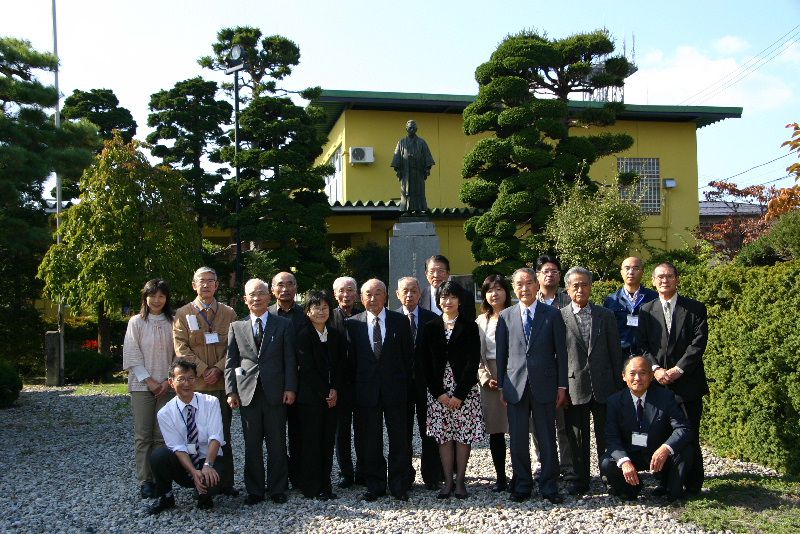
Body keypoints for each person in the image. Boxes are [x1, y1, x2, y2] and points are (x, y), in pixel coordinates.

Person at [496, 267, 568, 504]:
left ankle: (549, 485)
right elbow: (501, 355)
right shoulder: (506, 316)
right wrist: (501, 387)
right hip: (515, 387)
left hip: (545, 384)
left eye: (528, 283)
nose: (524, 288)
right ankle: (522, 483)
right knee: (517, 439)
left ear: (537, 285)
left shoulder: (552, 314)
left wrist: (561, 386)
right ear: (514, 288)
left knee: (547, 436)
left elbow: (561, 353)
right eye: (519, 284)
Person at [637, 262, 708, 494]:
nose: (664, 280)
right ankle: (666, 481)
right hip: (659, 384)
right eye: (660, 277)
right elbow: (643, 345)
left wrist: (679, 369)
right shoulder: (647, 310)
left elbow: (698, 344)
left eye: (669, 276)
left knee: (689, 432)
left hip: (687, 383)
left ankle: (693, 483)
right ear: (653, 281)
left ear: (677, 279)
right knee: (662, 434)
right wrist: (656, 369)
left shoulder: (695, 308)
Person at [225, 278, 297, 505]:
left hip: (276, 392)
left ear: (269, 296)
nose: (257, 298)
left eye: (261, 293)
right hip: (248, 393)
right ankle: (254, 490)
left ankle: (277, 488)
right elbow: (231, 361)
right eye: (252, 295)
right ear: (245, 300)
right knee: (252, 444)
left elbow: (289, 359)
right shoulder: (237, 327)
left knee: (277, 443)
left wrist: (290, 388)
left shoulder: (283, 325)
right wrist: (231, 391)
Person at [172, 267, 239, 496]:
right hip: (196, 387)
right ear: (194, 285)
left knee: (222, 434)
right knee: (196, 435)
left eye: (211, 281)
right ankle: (198, 482)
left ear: (217, 285)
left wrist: (219, 369)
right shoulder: (183, 313)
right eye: (202, 281)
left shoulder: (228, 313)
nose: (206, 285)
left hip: (220, 385)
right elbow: (181, 348)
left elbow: (235, 346)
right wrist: (203, 370)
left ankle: (225, 482)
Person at [345, 279, 414, 501]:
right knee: (370, 441)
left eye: (377, 293)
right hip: (366, 393)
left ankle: (398, 483)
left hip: (395, 391)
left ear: (386, 296)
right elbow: (351, 362)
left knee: (399, 440)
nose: (373, 298)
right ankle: (375, 484)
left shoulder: (400, 322)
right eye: (368, 294)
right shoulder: (353, 324)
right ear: (361, 297)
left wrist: (405, 387)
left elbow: (408, 358)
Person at [560, 267, 624, 495]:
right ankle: (580, 479)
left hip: (604, 384)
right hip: (574, 384)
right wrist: (561, 387)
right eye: (575, 285)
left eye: (584, 284)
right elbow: (558, 355)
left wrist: (619, 385)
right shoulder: (560, 316)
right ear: (567, 289)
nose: (580, 289)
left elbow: (615, 351)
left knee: (606, 434)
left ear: (591, 287)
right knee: (576, 436)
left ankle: (609, 476)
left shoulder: (605, 315)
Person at [422, 281, 486, 499]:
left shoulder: (470, 327)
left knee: (462, 435)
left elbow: (472, 361)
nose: (447, 301)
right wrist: (438, 392)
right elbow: (425, 363)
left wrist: (459, 394)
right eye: (443, 297)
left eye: (451, 297)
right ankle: (447, 481)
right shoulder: (430, 327)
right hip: (438, 392)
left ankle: (460, 481)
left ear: (460, 300)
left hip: (464, 391)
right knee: (444, 437)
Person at [600, 356, 694, 501]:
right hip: (631, 452)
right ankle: (633, 487)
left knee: (685, 448)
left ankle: (671, 489)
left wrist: (665, 448)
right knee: (607, 462)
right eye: (632, 373)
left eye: (643, 373)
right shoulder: (614, 401)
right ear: (624, 376)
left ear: (651, 376)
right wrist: (624, 461)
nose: (637, 378)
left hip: (658, 453)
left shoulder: (665, 397)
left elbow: (683, 428)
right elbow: (611, 437)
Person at [147, 359, 227, 514]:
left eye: (190, 378)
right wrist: (193, 471)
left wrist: (207, 466)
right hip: (184, 464)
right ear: (171, 382)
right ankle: (166, 496)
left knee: (211, 483)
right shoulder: (165, 413)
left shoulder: (211, 402)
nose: (186, 383)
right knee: (159, 456)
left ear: (196, 380)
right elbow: (177, 446)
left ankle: (204, 494)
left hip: (208, 459)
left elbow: (216, 437)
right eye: (181, 379)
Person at [123, 279, 176, 500]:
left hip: (168, 385)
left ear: (167, 299)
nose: (157, 300)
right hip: (142, 386)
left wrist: (167, 379)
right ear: (145, 297)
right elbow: (132, 353)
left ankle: (160, 479)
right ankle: (145, 481)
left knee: (161, 435)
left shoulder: (173, 322)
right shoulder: (136, 322)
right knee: (143, 435)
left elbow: (179, 353)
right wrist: (150, 381)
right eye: (152, 295)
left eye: (161, 296)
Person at [295, 291, 345, 500]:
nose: (321, 312)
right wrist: (326, 392)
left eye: (325, 308)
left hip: (332, 399)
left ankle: (326, 485)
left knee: (327, 442)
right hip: (310, 399)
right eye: (316, 308)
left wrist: (335, 389)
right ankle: (311, 487)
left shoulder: (335, 335)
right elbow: (307, 368)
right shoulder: (303, 335)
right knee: (311, 443)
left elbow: (342, 366)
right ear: (308, 311)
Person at [396, 276, 441, 490]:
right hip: (401, 385)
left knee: (429, 431)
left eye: (413, 291)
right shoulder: (392, 318)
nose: (409, 295)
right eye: (405, 291)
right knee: (402, 432)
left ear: (420, 294)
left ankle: (431, 475)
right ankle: (405, 476)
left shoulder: (431, 319)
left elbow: (437, 355)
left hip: (426, 385)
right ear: (397, 294)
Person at [535, 254, 574, 482]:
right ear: (537, 275)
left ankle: (568, 465)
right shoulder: (530, 299)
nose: (550, 275)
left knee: (563, 422)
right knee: (538, 423)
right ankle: (542, 462)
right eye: (545, 271)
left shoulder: (568, 299)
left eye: (554, 271)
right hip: (539, 370)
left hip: (564, 366)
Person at [476, 274, 513, 492]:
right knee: (496, 430)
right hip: (491, 376)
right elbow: (476, 356)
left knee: (517, 428)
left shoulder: (515, 315)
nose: (494, 294)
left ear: (507, 292)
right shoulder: (481, 321)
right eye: (490, 290)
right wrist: (485, 377)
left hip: (514, 374)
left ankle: (520, 473)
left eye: (499, 289)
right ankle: (500, 476)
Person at [269, 271, 304, 488]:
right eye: (280, 285)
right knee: (275, 436)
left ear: (296, 288)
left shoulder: (306, 315)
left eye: (290, 284)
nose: (285, 289)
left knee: (299, 434)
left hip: (302, 384)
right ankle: (278, 479)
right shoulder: (266, 314)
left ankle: (299, 477)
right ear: (272, 290)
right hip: (273, 384)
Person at [330, 276, 366, 489]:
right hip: (339, 383)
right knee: (340, 431)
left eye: (350, 290)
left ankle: (363, 470)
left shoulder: (364, 316)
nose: (346, 295)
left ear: (356, 293)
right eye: (342, 290)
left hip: (361, 382)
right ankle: (346, 472)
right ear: (335, 294)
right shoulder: (329, 317)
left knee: (363, 429)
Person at [603, 257, 658, 357]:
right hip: (620, 355)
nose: (631, 272)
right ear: (621, 272)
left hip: (647, 355)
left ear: (642, 272)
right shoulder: (611, 300)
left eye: (636, 268)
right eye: (627, 268)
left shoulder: (654, 298)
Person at [390, 119, 435, 212]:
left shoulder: (422, 142)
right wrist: (398, 169)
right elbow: (397, 156)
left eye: (414, 128)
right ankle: (406, 211)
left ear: (416, 129)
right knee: (407, 191)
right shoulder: (401, 142)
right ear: (406, 129)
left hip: (418, 171)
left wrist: (427, 168)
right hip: (406, 171)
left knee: (419, 191)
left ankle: (420, 210)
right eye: (410, 128)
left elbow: (427, 155)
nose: (412, 129)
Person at [419, 255, 476, 322]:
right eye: (432, 271)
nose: (436, 275)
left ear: (448, 273)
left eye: (440, 271)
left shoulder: (465, 295)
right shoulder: (420, 296)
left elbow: (470, 323)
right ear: (426, 274)